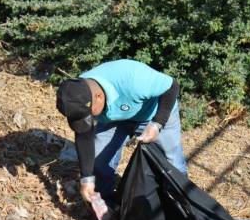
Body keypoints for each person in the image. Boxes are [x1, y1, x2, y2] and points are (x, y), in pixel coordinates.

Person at [55, 59, 187, 207]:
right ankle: (107, 205)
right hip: (113, 117)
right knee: (98, 159)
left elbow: (172, 86)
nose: (87, 119)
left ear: (98, 96)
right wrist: (87, 179)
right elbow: (84, 135)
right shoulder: (78, 93)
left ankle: (180, 205)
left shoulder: (134, 79)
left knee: (172, 161)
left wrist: (157, 123)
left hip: (153, 113)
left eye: (88, 114)